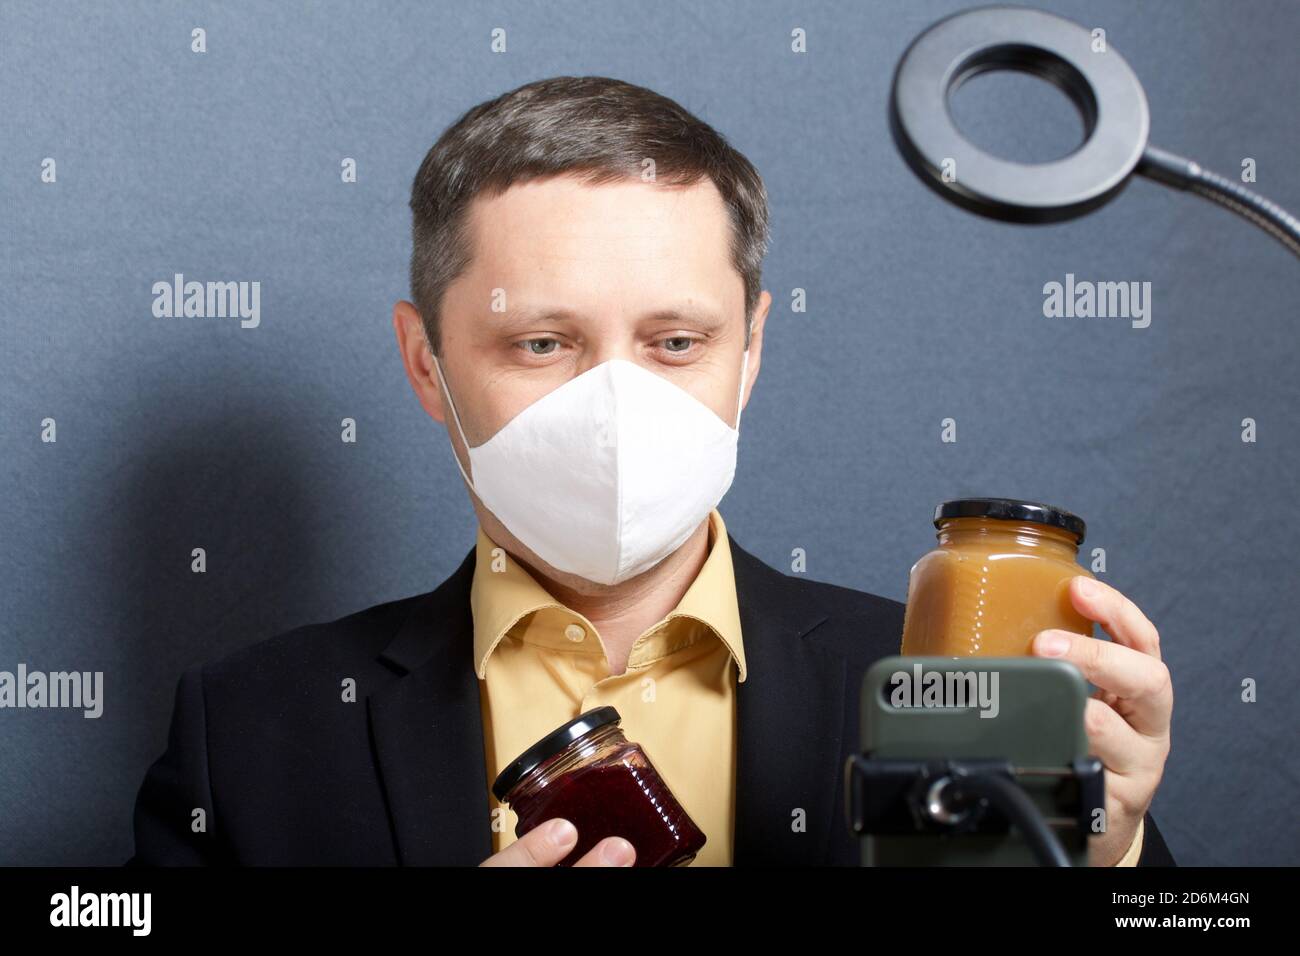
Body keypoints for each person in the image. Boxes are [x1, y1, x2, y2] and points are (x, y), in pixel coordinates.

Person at [128, 75, 1174, 867]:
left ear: (750, 350)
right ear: (426, 363)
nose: (615, 407)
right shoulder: (254, 730)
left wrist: (1105, 861)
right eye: (542, 342)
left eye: (675, 341)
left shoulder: (948, 696)